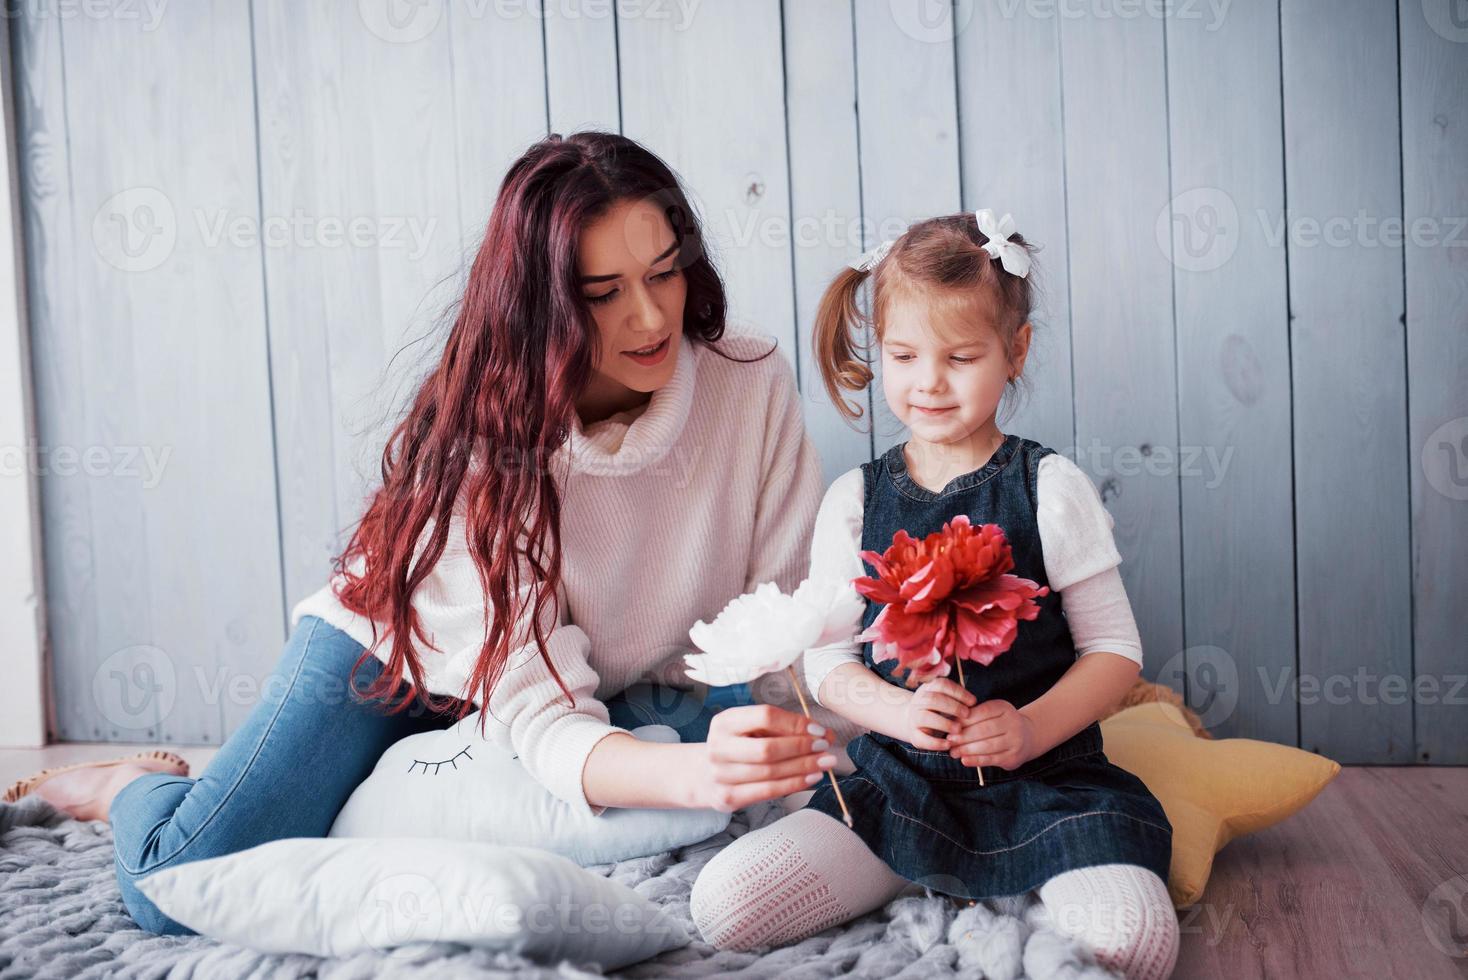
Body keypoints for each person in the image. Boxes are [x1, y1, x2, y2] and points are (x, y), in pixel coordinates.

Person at [5, 131, 856, 935]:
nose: (649, 318)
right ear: (542, 306)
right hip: (398, 655)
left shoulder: (748, 381)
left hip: (599, 673)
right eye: (605, 294)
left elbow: (779, 615)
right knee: (176, 882)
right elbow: (545, 713)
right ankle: (131, 786)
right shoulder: (488, 436)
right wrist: (692, 775)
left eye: (665, 273)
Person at [690, 210, 1179, 979]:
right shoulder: (855, 500)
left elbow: (1115, 651)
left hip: (1046, 779)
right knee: (727, 907)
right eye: (904, 354)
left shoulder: (1048, 490)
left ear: (1015, 351)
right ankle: (911, 864)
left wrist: (1027, 728)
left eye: (960, 356)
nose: (929, 382)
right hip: (899, 784)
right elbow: (827, 663)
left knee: (1133, 944)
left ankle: (1024, 869)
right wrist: (897, 715)